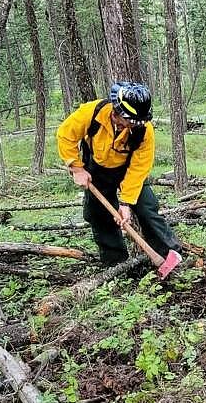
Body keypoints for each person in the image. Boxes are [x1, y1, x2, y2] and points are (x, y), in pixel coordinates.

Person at [57, 82, 180, 267]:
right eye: (129, 121)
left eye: (136, 122)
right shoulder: (91, 113)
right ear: (116, 113)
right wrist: (76, 168)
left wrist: (126, 202)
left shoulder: (144, 131)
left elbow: (139, 167)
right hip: (97, 169)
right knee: (98, 214)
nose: (133, 125)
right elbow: (65, 135)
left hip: (128, 171)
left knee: (147, 208)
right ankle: (116, 264)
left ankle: (171, 255)